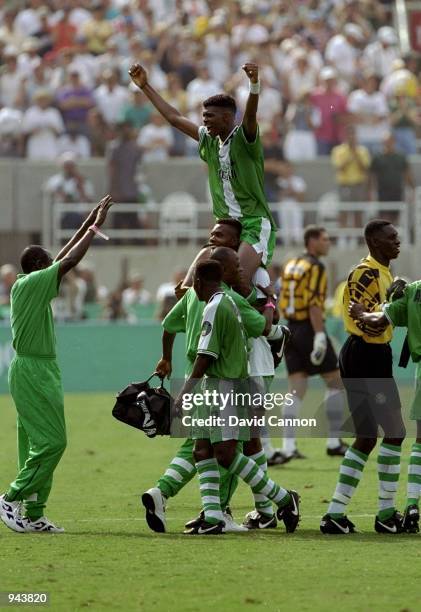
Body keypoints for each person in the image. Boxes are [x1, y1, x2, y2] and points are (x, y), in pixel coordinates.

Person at [0, 195, 113, 533]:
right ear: (38, 266)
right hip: (33, 370)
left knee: (37, 443)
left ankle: (34, 513)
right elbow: (68, 262)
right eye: (48, 261)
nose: (55, 265)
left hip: (38, 368)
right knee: (54, 442)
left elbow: (62, 258)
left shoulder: (30, 284)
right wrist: (94, 229)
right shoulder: (33, 283)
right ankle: (11, 497)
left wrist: (87, 222)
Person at [172, 260, 299, 535]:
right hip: (214, 386)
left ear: (197, 282)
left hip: (227, 387)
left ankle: (284, 499)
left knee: (226, 455)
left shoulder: (217, 305)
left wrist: (183, 393)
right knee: (201, 449)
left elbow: (206, 355)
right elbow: (264, 327)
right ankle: (214, 517)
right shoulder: (230, 301)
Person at [129, 61, 277, 289]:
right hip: (225, 227)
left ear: (227, 119)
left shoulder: (244, 139)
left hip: (253, 223)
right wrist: (145, 86)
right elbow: (174, 118)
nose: (204, 121)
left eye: (210, 117)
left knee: (237, 284)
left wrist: (254, 85)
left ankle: (265, 308)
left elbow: (250, 116)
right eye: (203, 116)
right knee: (188, 289)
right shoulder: (208, 140)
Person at [320, 219, 405, 535]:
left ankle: (335, 513)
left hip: (369, 355)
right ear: (374, 242)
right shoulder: (365, 273)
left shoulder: (385, 273)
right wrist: (391, 307)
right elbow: (372, 325)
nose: (397, 241)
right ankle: (385, 513)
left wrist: (393, 306)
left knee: (367, 436)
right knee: (394, 431)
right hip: (366, 354)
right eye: (391, 237)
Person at [350, 278, 421, 534]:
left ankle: (412, 504)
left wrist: (361, 312)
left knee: (419, 441)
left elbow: (380, 320)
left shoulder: (415, 291)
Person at [279, 226, 347, 460]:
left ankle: (288, 446)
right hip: (309, 326)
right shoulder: (316, 266)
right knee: (336, 381)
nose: (328, 243)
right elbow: (314, 304)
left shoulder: (291, 263)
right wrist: (319, 334)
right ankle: (334, 441)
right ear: (312, 242)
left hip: (290, 327)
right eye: (324, 239)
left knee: (296, 387)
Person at [369, 133, 415, 224]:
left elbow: (407, 174)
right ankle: (384, 237)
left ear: (394, 142)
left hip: (397, 191)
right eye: (386, 141)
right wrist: (370, 191)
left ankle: (392, 237)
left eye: (390, 141)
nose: (388, 143)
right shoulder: (377, 157)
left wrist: (412, 189)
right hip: (382, 192)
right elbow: (372, 176)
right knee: (383, 217)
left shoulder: (401, 156)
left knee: (395, 217)